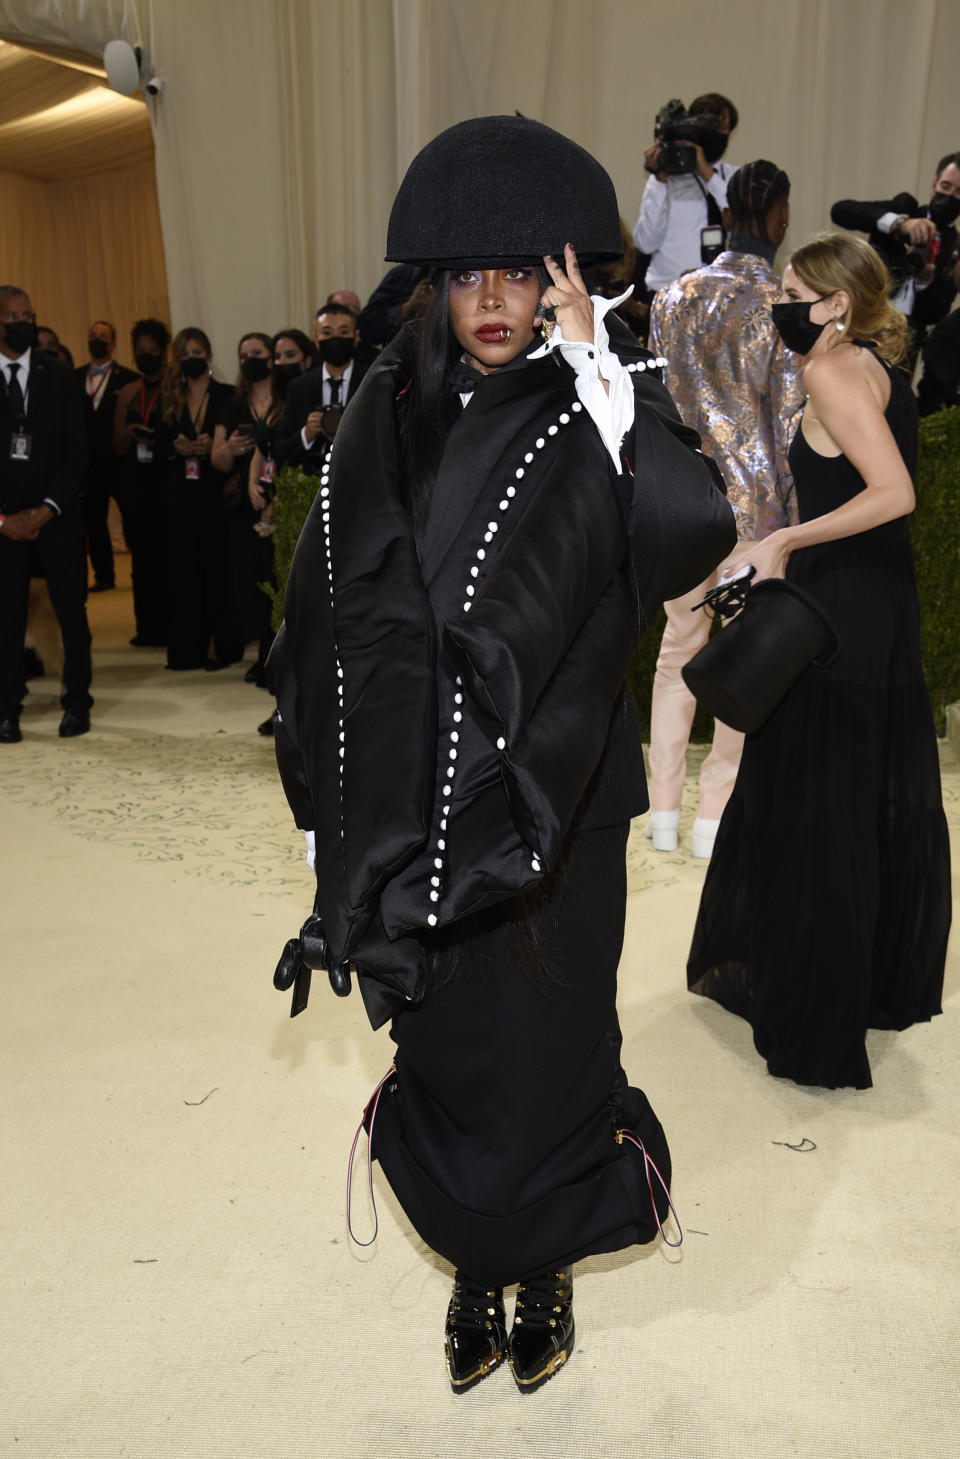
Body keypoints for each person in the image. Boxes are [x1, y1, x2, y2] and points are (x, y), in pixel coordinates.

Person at [268, 116, 734, 1393]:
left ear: (559, 279)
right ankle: (480, 1267)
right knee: (454, 1052)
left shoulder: (601, 391)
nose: (491, 297)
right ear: (433, 282)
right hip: (425, 806)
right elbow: (325, 605)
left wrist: (605, 388)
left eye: (518, 272)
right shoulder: (384, 411)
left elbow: (688, 534)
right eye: (468, 272)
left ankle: (548, 1272)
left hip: (565, 801)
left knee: (556, 1045)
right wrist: (328, 799)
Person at [687, 230, 952, 1090]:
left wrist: (786, 540)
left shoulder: (833, 371)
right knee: (850, 801)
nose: (778, 306)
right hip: (872, 607)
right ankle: (847, 989)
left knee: (814, 804)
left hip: (832, 619)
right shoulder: (878, 366)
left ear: (836, 303)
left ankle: (814, 1023)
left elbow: (895, 493)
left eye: (793, 295)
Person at [646, 160, 802, 857]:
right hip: (758, 509)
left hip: (682, 502)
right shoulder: (783, 300)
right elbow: (791, 417)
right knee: (743, 660)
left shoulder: (673, 293)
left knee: (677, 652)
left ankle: (662, 814)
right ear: (780, 218)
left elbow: (658, 403)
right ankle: (714, 817)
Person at [0, 285, 92, 742]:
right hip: (3, 528)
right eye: (14, 314)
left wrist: (46, 509)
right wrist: (4, 521)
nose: (24, 321)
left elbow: (78, 452)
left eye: (29, 314)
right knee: (7, 618)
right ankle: (7, 708)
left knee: (71, 615)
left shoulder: (58, 375)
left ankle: (77, 702)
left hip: (58, 520)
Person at [156, 328, 237, 671]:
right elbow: (156, 446)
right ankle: (187, 649)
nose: (192, 357)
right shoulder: (169, 396)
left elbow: (235, 442)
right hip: (180, 495)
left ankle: (218, 648)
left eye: (197, 351)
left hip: (214, 493)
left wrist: (211, 448)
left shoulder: (227, 395)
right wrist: (175, 448)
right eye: (185, 352)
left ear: (209, 355)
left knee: (217, 572)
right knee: (184, 573)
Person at [831, 152, 960, 356]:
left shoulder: (955, 247)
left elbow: (937, 312)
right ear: (933, 184)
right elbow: (840, 211)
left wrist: (924, 280)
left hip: (904, 346)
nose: (950, 197)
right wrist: (900, 224)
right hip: (861, 324)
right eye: (945, 187)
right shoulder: (904, 208)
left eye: (958, 192)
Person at [633, 92, 739, 294]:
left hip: (721, 295)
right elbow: (646, 244)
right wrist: (660, 178)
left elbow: (740, 220)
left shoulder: (734, 178)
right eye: (710, 127)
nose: (716, 134)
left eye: (724, 129)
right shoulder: (664, 181)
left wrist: (708, 174)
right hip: (667, 293)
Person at [113, 319, 171, 646]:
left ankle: (171, 626)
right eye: (140, 352)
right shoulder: (128, 392)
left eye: (152, 351)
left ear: (163, 353)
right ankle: (146, 627)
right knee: (141, 558)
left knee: (168, 557)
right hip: (135, 483)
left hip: (165, 480)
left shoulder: (175, 388)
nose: (146, 356)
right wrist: (129, 433)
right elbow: (116, 444)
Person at [75, 320, 138, 592]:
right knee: (94, 520)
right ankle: (104, 575)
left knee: (132, 517)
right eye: (92, 336)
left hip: (120, 463)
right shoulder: (73, 376)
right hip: (88, 464)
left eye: (102, 337)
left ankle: (141, 570)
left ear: (113, 344)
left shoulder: (129, 379)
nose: (97, 340)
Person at [272, 304, 371, 472]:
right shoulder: (299, 387)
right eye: (327, 332)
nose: (335, 338)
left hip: (360, 482)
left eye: (343, 332)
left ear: (356, 337)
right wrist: (307, 433)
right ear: (316, 339)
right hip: (312, 488)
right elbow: (280, 452)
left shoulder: (371, 382)